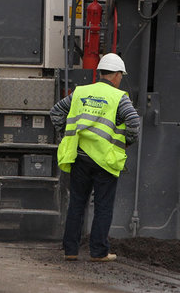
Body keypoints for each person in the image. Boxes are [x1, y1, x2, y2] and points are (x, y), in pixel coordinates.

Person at [50, 53, 140, 262]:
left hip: (80, 158)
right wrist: (128, 142)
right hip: (105, 162)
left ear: (100, 73)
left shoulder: (80, 92)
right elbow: (133, 121)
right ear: (117, 75)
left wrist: (66, 134)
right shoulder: (119, 98)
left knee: (76, 204)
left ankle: (70, 250)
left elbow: (55, 112)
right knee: (103, 207)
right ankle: (98, 252)